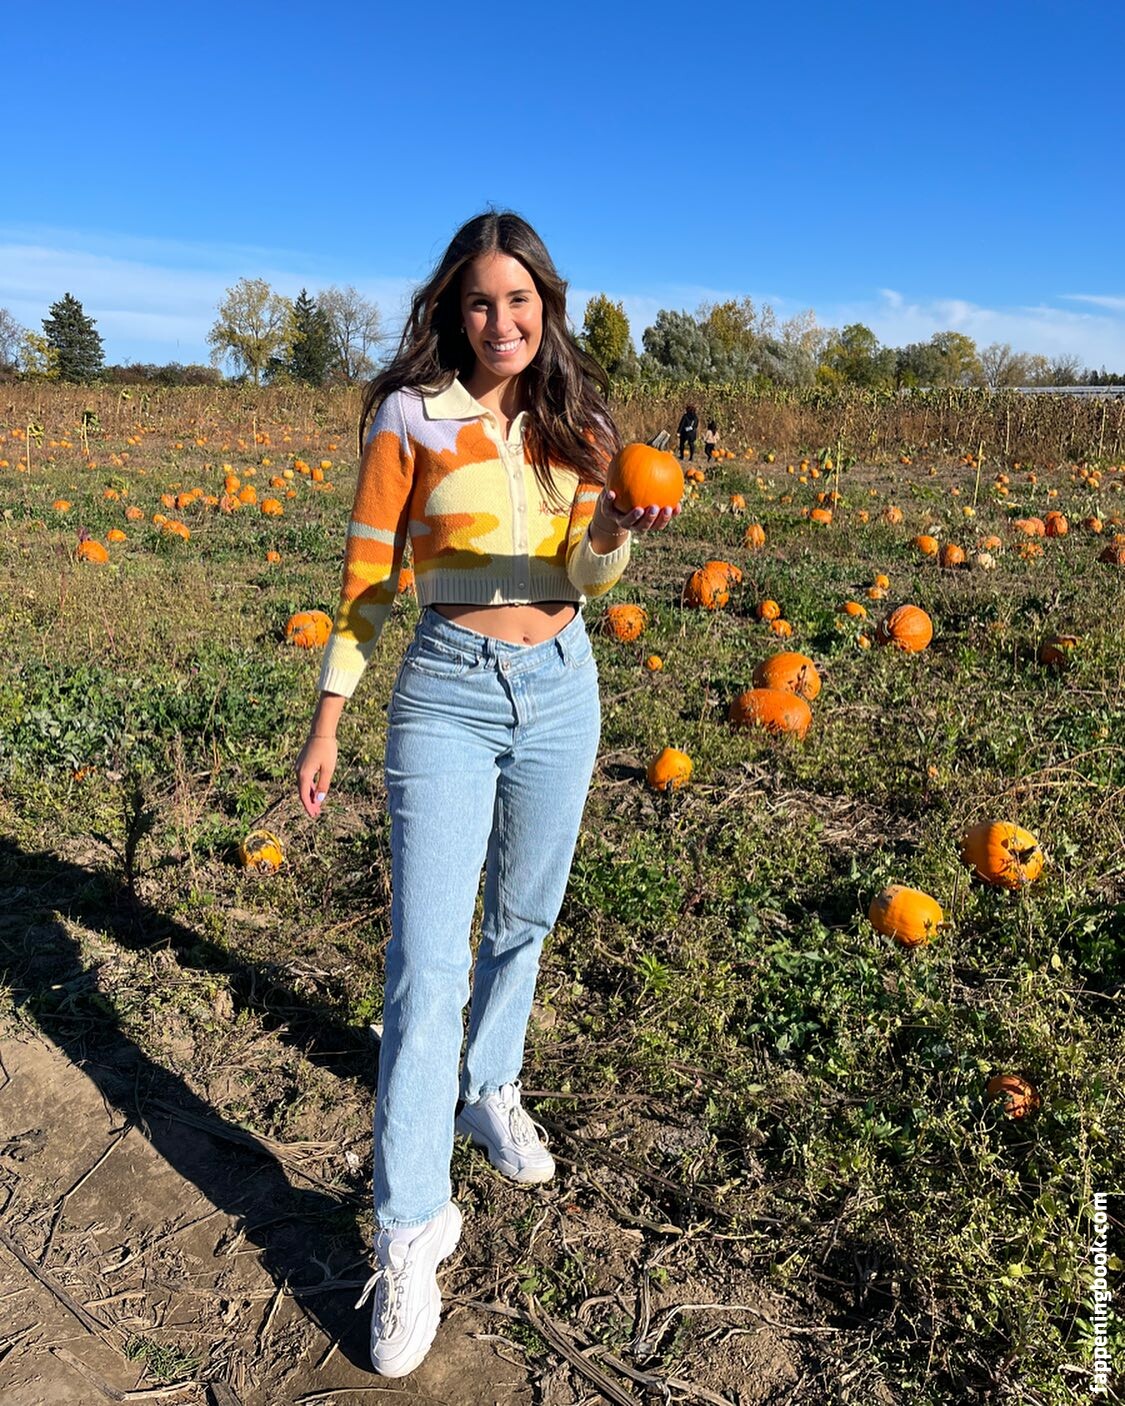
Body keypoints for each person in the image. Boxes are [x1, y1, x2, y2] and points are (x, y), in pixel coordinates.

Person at [294, 210, 680, 1379]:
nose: (502, 320)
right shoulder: (411, 417)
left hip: (563, 681)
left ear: (545, 308)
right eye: (481, 301)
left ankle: (489, 1084)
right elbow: (369, 575)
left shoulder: (585, 426)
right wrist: (329, 714)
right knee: (425, 963)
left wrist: (615, 523)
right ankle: (411, 1226)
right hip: (447, 691)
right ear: (454, 312)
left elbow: (587, 573)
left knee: (526, 913)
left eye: (521, 301)